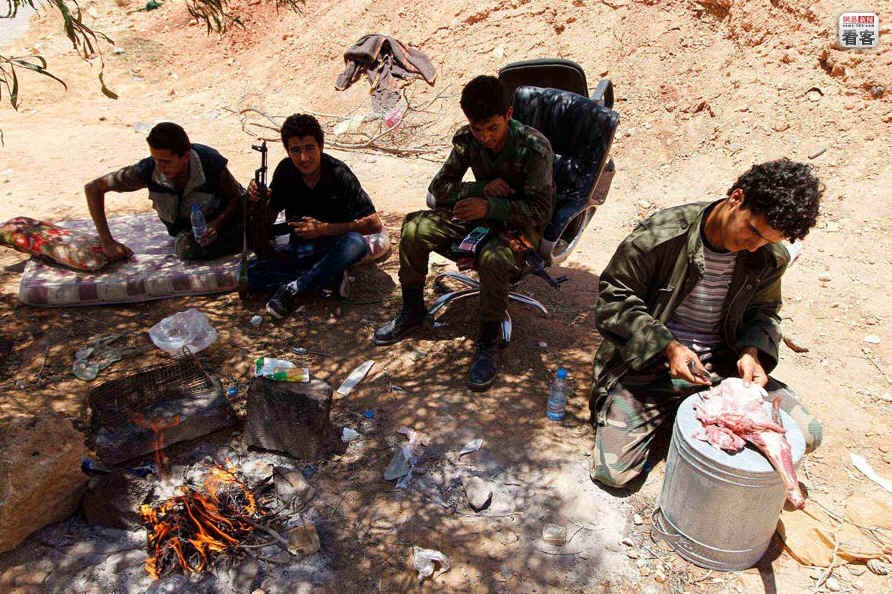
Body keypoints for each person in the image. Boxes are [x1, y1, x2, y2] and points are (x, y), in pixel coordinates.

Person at [589, 158, 824, 488]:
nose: (754, 246)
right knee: (613, 474)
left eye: (766, 240)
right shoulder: (662, 235)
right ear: (736, 198)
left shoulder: (768, 256)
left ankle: (693, 414)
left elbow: (765, 311)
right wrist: (667, 347)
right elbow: (613, 301)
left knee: (808, 435)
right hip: (648, 365)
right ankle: (677, 416)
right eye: (753, 231)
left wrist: (752, 351)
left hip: (723, 369)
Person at [373, 75, 555, 391]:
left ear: (509, 115)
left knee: (493, 258)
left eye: (493, 128)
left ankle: (488, 341)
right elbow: (439, 188)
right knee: (415, 227)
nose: (485, 137)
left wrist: (490, 208)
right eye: (478, 129)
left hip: (520, 227)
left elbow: (541, 212)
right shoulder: (467, 139)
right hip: (477, 216)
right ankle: (412, 310)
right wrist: (479, 189)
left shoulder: (534, 147)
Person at [246, 114, 382, 319]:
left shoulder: (338, 173)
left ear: (321, 146)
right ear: (288, 151)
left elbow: (374, 224)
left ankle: (294, 288)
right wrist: (257, 201)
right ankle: (326, 279)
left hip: (334, 247)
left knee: (356, 244)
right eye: (296, 150)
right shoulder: (285, 171)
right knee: (250, 273)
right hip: (301, 250)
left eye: (309, 148)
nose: (304, 158)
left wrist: (324, 229)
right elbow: (267, 221)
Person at [85, 122, 244, 261]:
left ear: (186, 157)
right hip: (191, 234)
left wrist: (217, 224)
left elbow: (236, 197)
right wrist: (107, 242)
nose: (160, 167)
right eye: (155, 160)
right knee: (187, 249)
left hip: (226, 220)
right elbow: (93, 188)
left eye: (166, 162)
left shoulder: (209, 162)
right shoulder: (147, 170)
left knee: (252, 218)